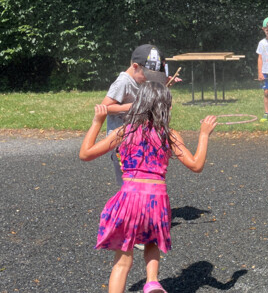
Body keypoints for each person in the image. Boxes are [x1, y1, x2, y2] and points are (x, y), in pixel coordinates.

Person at [80, 82, 218, 293]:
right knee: (152, 241)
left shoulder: (125, 131)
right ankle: (152, 281)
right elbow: (196, 165)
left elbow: (85, 154)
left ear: (138, 104)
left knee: (123, 260)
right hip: (157, 200)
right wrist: (204, 134)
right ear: (165, 107)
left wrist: (97, 121)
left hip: (130, 198)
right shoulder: (169, 135)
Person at [101, 44, 168, 187]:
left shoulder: (139, 79)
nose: (149, 79)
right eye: (148, 75)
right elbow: (104, 108)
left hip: (136, 137)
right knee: (127, 181)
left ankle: (138, 200)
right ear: (135, 66)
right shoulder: (123, 82)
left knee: (139, 177)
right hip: (120, 141)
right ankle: (128, 200)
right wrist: (135, 106)